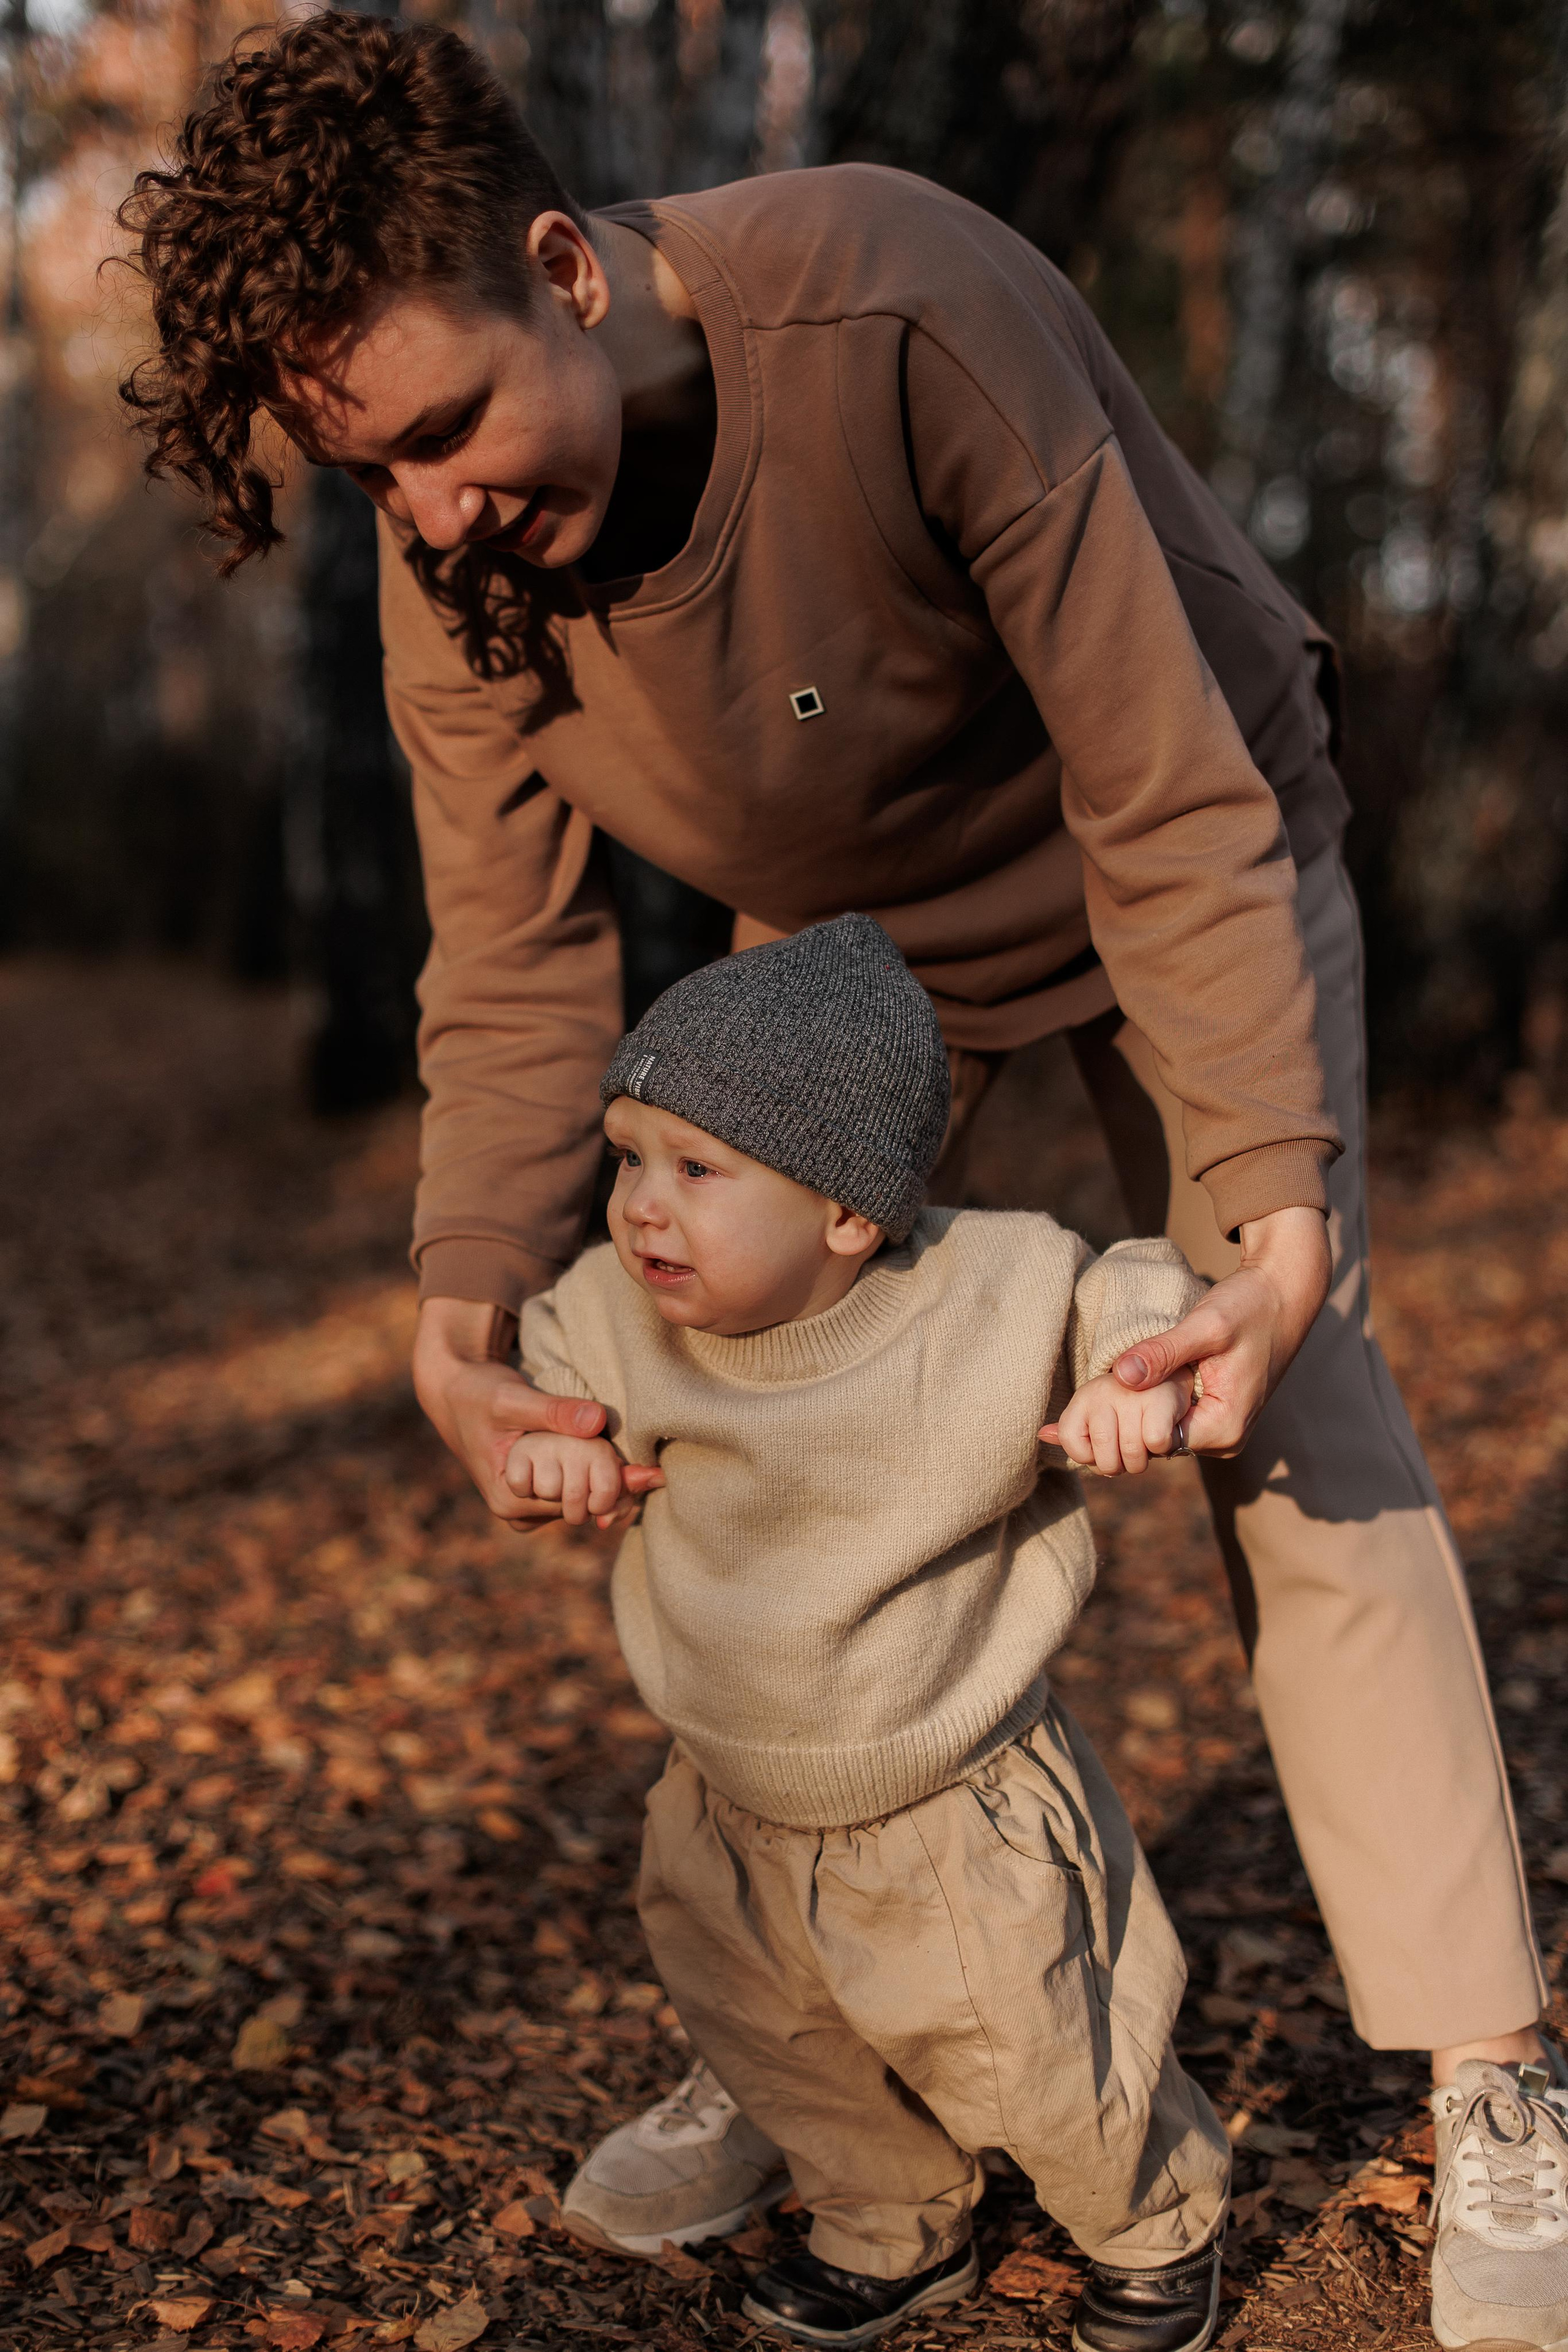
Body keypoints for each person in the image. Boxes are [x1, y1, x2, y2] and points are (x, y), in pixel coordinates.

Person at [117, 17, 1558, 2346]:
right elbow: (515, 963)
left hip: (1180, 849)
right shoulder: (448, 563)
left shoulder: (897, 303)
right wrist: (462, 1312)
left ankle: (1493, 2061)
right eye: (372, 474)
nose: (433, 515)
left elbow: (1163, 786)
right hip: (860, 955)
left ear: (564, 270)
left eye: (449, 433)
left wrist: (1271, 1213)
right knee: (749, 1418)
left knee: (1289, 1414)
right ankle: (810, 2023)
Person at [511, 910, 1232, 2351]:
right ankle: (887, 2226)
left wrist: (1129, 1375)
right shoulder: (616, 1311)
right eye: (627, 1156)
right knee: (785, 2047)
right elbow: (546, 1360)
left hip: (946, 1802)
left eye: (695, 1170)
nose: (640, 1207)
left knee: (1039, 2053)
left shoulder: (983, 1289)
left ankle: (1152, 2232)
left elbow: (1133, 1277)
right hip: (724, 1794)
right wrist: (551, 1446)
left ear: (847, 1213)